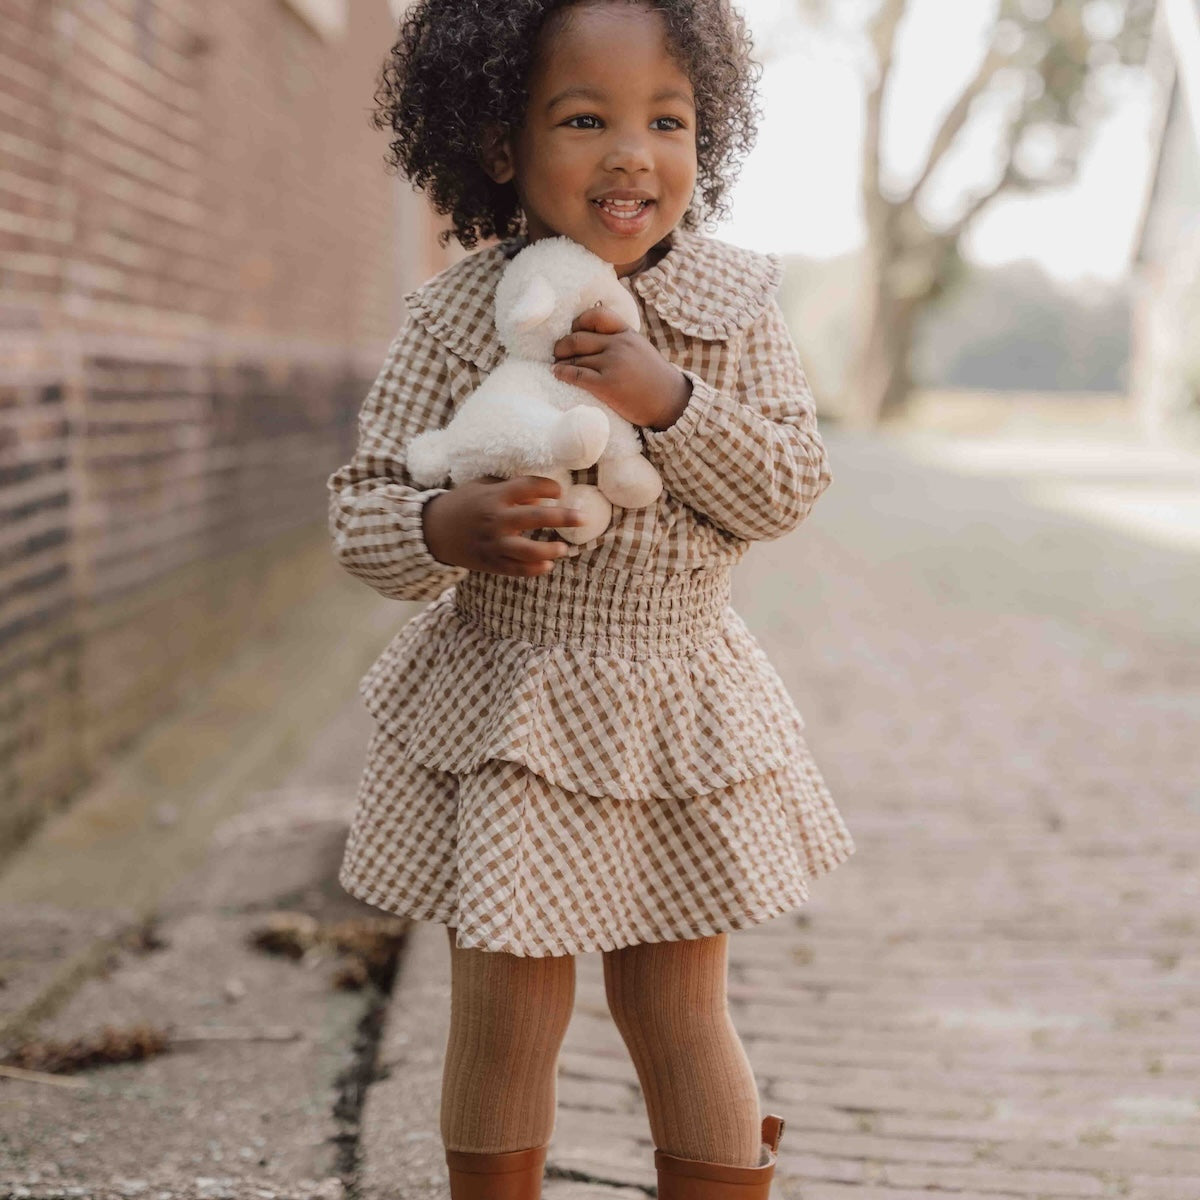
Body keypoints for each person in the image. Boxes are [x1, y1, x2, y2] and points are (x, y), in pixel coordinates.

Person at [327, 1, 856, 1195]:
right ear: (500, 144)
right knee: (506, 1007)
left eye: (667, 120)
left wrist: (669, 400)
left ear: (703, 141)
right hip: (509, 709)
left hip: (675, 706)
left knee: (675, 1006)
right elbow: (362, 506)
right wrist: (443, 525)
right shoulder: (456, 317)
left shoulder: (728, 307)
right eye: (585, 118)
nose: (633, 153)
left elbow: (785, 487)